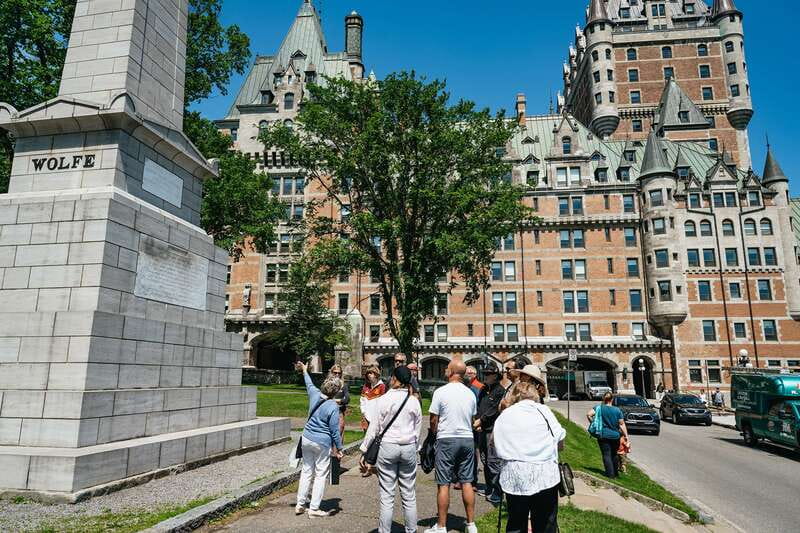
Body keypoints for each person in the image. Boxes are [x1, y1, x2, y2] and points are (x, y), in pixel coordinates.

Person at [494, 382, 565, 533]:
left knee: (516, 523)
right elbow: (560, 442)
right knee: (545, 523)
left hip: (515, 475)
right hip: (544, 475)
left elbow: (494, 444)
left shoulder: (506, 414)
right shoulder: (543, 411)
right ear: (535, 395)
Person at [359, 366, 422, 533]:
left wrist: (365, 449)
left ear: (394, 379)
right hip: (408, 446)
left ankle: (384, 530)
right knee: (409, 493)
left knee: (387, 495)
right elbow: (417, 428)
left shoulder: (384, 400)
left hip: (388, 446)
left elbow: (374, 428)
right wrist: (415, 447)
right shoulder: (413, 401)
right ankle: (411, 529)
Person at [424, 359, 478, 533]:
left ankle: (441, 525)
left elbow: (433, 419)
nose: (445, 370)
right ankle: (471, 524)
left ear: (452, 372)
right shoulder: (470, 393)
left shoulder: (441, 392)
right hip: (467, 438)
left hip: (447, 438)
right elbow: (472, 418)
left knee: (443, 483)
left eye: (447, 368)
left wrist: (434, 433)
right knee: (467, 481)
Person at [294, 361, 344, 517]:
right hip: (322, 442)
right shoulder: (333, 406)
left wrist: (304, 370)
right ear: (335, 391)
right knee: (321, 474)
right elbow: (335, 431)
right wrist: (339, 448)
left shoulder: (314, 394)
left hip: (306, 438)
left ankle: (300, 504)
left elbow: (308, 383)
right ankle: (314, 508)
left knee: (306, 471)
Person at [473, 362, 505, 504]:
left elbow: (494, 410)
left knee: (493, 461)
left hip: (492, 430)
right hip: (481, 429)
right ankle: (489, 488)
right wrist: (477, 420)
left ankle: (497, 491)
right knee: (485, 460)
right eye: (484, 374)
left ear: (495, 376)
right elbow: (479, 406)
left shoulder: (499, 391)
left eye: (488, 374)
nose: (485, 376)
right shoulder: (484, 389)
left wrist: (481, 421)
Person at [587, 392, 629, 478]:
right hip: (615, 436)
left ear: (604, 399)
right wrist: (626, 436)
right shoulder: (617, 410)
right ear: (612, 399)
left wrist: (593, 423)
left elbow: (589, 414)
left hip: (603, 435)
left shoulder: (598, 408)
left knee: (606, 454)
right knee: (614, 454)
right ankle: (615, 473)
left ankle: (610, 475)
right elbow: (621, 424)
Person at [360, 364, 386, 431]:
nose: (369, 375)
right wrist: (363, 414)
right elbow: (362, 401)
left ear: (376, 374)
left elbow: (383, 403)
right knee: (366, 436)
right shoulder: (366, 386)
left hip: (377, 418)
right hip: (366, 417)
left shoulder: (382, 386)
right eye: (368, 373)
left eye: (371, 373)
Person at [329, 364, 349, 437]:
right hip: (328, 411)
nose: (337, 374)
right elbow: (323, 398)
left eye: (339, 373)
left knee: (340, 431)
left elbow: (347, 399)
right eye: (335, 372)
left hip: (339, 411)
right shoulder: (327, 384)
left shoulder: (344, 385)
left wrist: (335, 400)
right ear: (331, 372)